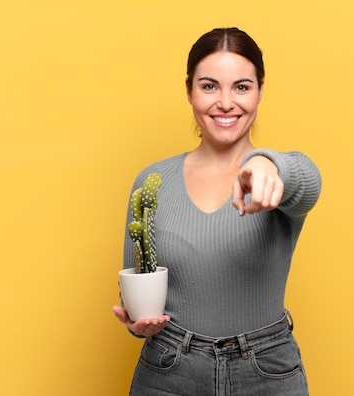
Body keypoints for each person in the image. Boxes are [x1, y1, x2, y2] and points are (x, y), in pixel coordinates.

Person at [112, 27, 322, 395]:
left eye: (242, 87)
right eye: (210, 86)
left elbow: (308, 179)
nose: (226, 102)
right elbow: (137, 284)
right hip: (170, 367)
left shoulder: (273, 179)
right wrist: (137, 324)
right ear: (190, 90)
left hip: (265, 370)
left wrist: (269, 166)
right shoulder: (154, 180)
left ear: (260, 92)